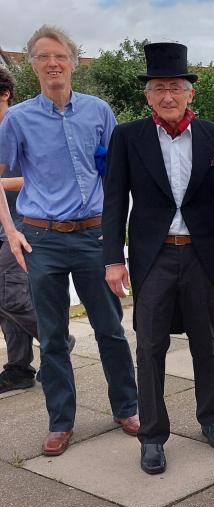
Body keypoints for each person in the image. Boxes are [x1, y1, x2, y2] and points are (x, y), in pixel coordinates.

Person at [102, 42, 214, 475]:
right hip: (153, 258)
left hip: (202, 256)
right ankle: (152, 435)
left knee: (207, 341)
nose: (168, 96)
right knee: (149, 347)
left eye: (176, 87)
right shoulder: (128, 137)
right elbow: (114, 203)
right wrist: (113, 258)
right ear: (147, 95)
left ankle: (211, 417)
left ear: (190, 93)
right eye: (159, 87)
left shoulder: (213, 136)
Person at [0, 25, 139, 456]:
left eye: (59, 55)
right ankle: (61, 421)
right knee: (54, 335)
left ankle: (128, 406)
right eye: (42, 57)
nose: (52, 63)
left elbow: (115, 177)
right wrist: (11, 231)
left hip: (93, 235)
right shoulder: (18, 119)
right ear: (34, 66)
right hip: (41, 238)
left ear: (73, 62)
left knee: (110, 328)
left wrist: (116, 238)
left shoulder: (99, 112)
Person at [0, 67, 40, 394]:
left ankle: (56, 338)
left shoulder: (24, 125)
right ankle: (18, 368)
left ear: (5, 93)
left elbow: (40, 176)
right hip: (2, 227)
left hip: (23, 226)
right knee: (4, 302)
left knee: (10, 296)